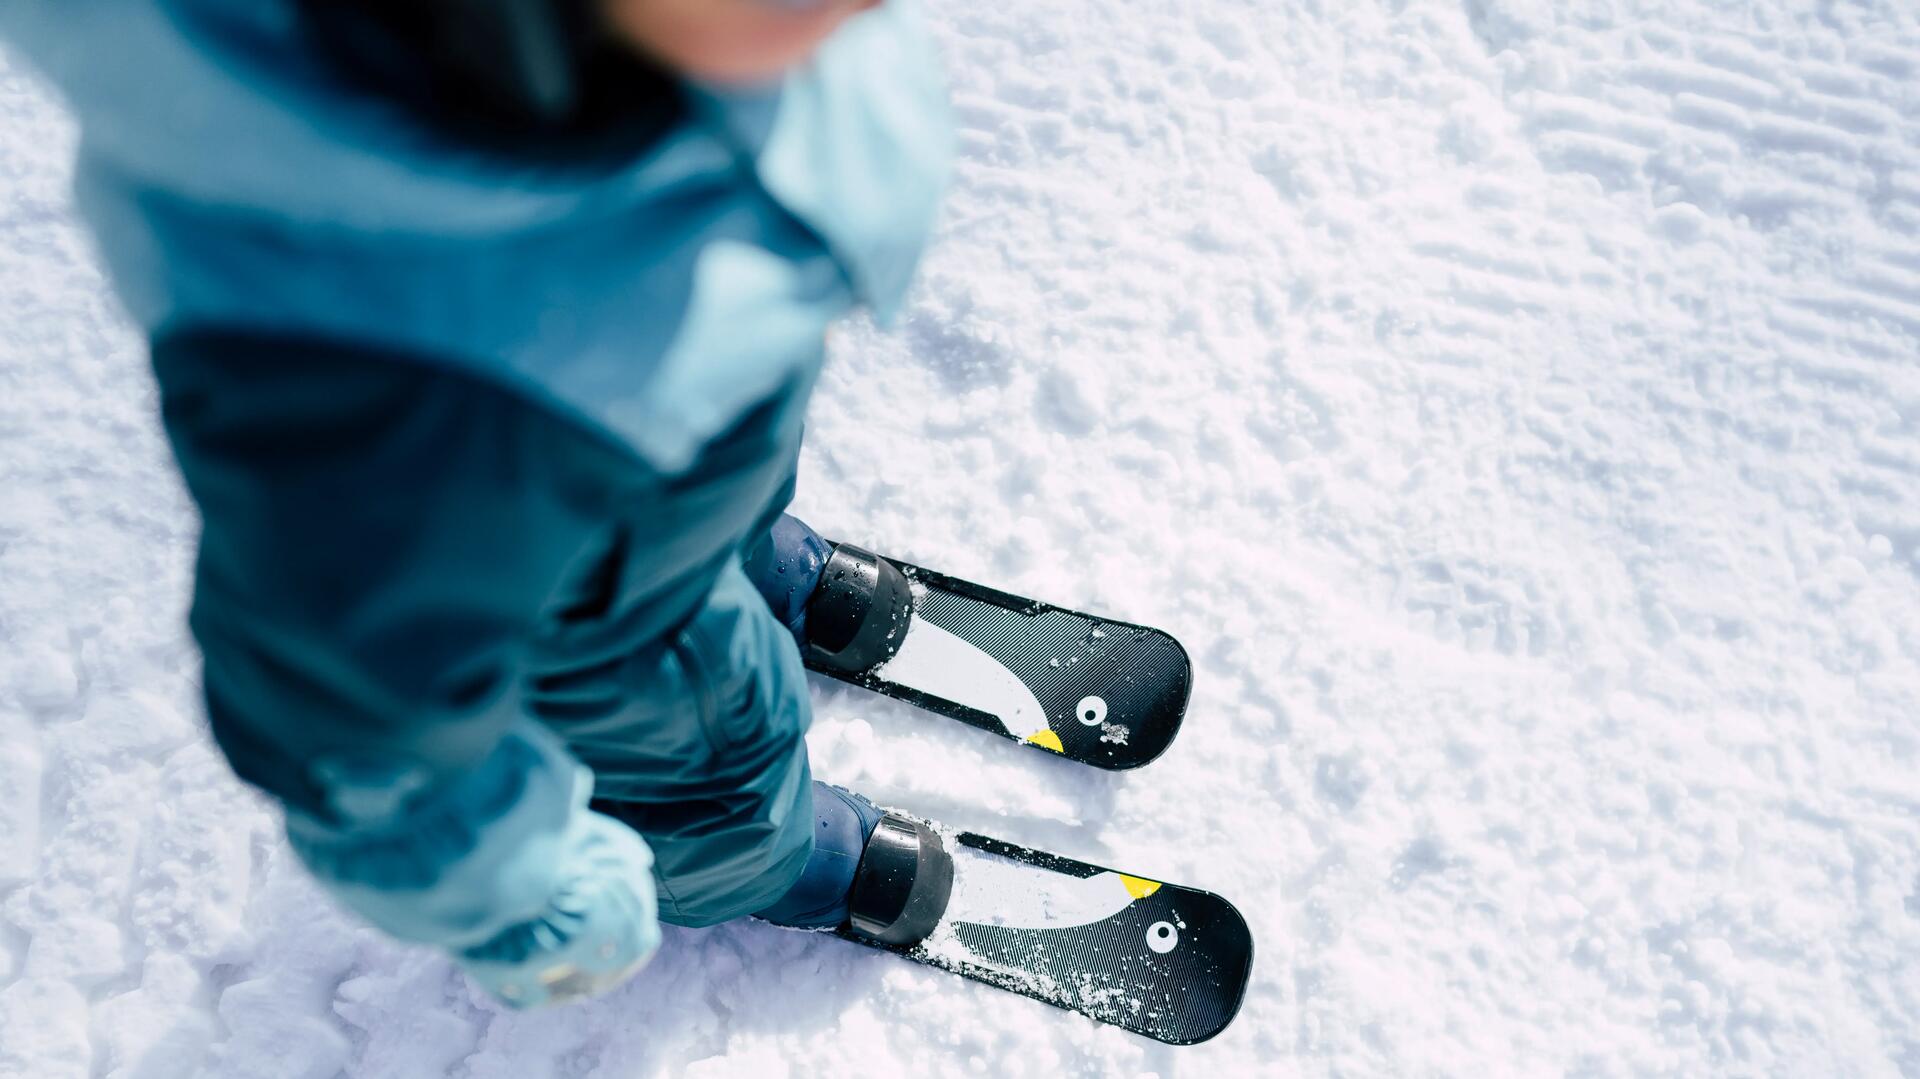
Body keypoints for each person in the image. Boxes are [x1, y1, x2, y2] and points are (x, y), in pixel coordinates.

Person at [0, 0, 953, 1007]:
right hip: (588, 598)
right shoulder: (389, 407)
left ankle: (743, 568)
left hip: (652, 433)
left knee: (702, 482)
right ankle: (738, 861)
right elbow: (364, 744)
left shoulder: (671, 50)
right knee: (694, 741)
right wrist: (541, 908)